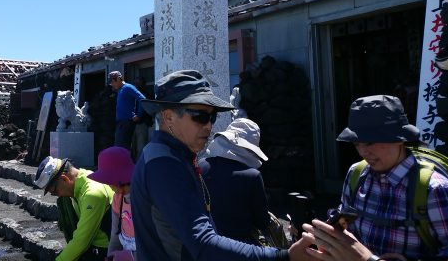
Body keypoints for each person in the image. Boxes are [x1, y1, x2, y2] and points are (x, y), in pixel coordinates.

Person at [131, 70, 311, 260]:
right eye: (200, 116)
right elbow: (203, 244)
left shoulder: (172, 155)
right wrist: (284, 256)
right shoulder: (164, 164)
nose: (209, 125)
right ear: (168, 117)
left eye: (212, 117)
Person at [334, 95, 448, 259]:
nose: (363, 152)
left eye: (370, 142)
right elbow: (345, 223)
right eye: (357, 144)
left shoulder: (434, 189)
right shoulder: (356, 174)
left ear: (400, 139)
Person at [198, 117, 271, 244]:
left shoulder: (201, 165)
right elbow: (262, 222)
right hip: (240, 247)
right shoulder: (252, 176)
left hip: (204, 242)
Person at [35, 156, 113, 261]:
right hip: (94, 246)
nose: (56, 195)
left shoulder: (92, 193)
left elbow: (82, 240)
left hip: (108, 251)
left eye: (54, 191)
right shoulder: (81, 179)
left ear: (64, 178)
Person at [87, 146, 136, 261]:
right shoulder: (117, 199)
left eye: (107, 181)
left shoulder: (143, 200)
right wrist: (111, 256)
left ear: (115, 179)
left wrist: (132, 256)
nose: (107, 185)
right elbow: (115, 235)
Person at [109, 71, 145, 155]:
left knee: (121, 149)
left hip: (126, 123)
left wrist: (138, 115)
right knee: (120, 148)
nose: (112, 85)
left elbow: (142, 99)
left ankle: (124, 167)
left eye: (113, 82)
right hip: (120, 123)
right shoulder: (120, 90)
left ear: (118, 79)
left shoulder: (128, 87)